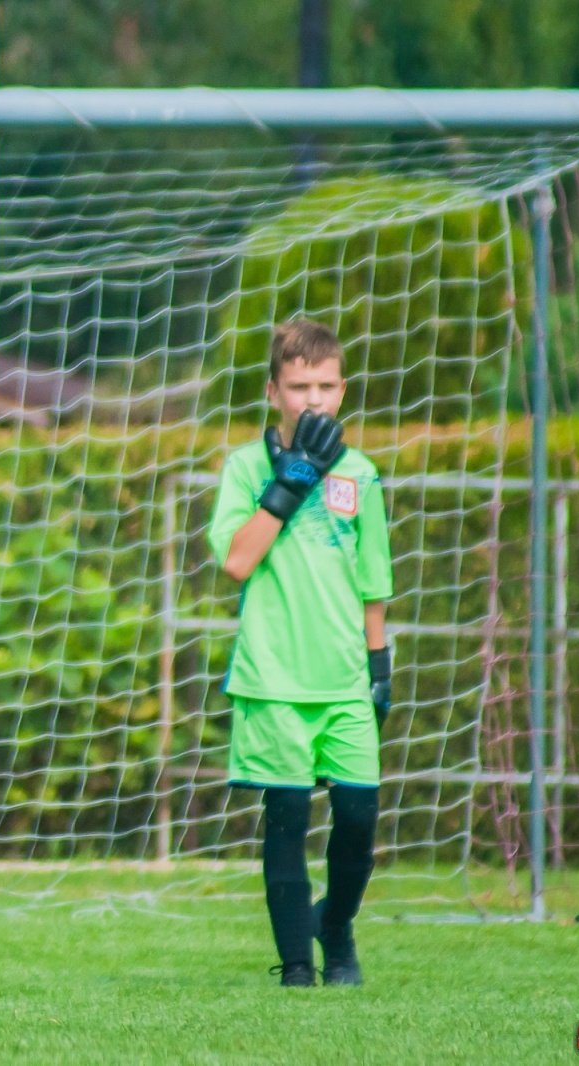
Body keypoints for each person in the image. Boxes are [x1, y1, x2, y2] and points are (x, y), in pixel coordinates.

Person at [207, 319, 394, 988]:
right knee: (285, 818)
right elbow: (236, 560)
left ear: (343, 389)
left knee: (358, 817)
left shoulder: (362, 475)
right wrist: (290, 481)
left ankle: (336, 927)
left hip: (343, 680)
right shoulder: (243, 468)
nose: (312, 400)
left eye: (324, 385)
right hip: (273, 679)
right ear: (272, 391)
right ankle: (296, 968)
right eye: (297, 387)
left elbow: (374, 580)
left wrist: (379, 668)